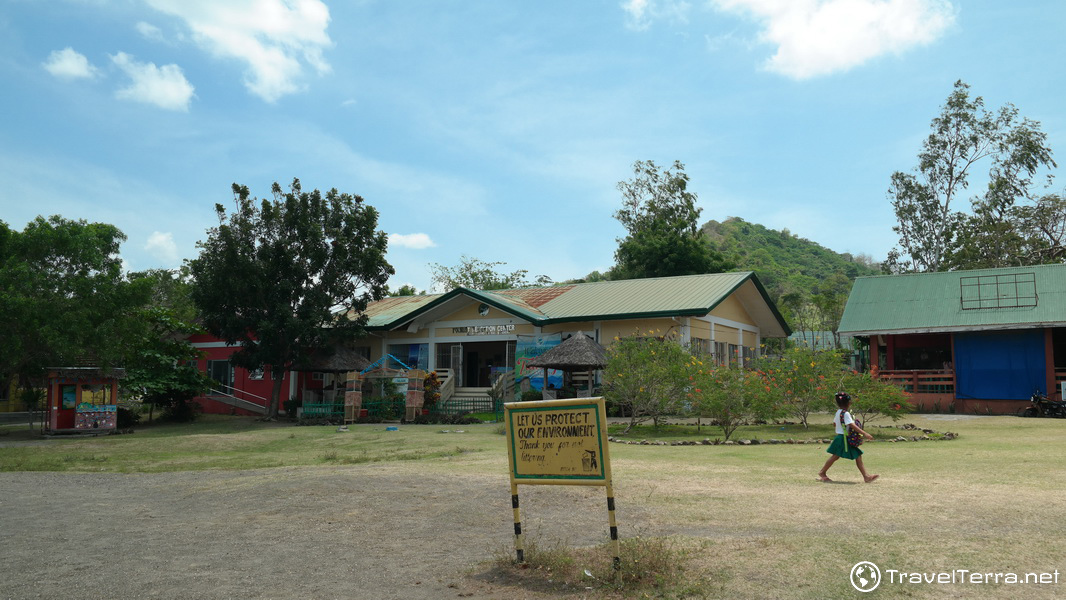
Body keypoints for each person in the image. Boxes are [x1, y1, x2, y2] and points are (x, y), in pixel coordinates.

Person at [818, 392, 878, 483]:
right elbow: (852, 425)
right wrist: (865, 434)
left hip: (840, 437)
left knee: (836, 456)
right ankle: (866, 477)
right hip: (844, 439)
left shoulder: (838, 412)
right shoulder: (845, 414)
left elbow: (834, 424)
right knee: (853, 455)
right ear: (848, 403)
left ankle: (866, 476)